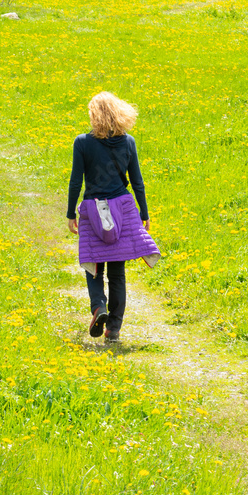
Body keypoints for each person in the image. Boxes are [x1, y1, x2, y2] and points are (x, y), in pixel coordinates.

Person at [66, 91, 160, 343]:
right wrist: (144, 213)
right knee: (117, 273)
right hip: (122, 209)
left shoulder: (82, 142)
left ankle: (98, 307)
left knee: (94, 266)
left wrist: (70, 213)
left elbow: (76, 181)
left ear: (94, 115)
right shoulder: (128, 142)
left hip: (92, 211)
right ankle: (114, 329)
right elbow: (137, 182)